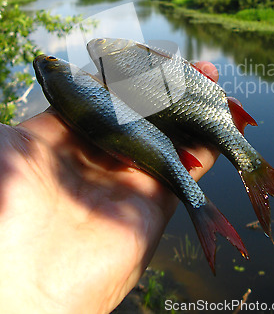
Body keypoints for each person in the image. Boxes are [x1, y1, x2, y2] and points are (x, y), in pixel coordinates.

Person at [0, 62, 220, 314]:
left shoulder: (61, 87)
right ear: (60, 71)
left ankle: (200, 207)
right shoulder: (69, 81)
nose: (48, 60)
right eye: (50, 63)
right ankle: (201, 208)